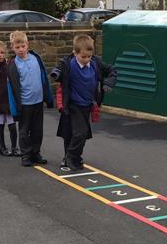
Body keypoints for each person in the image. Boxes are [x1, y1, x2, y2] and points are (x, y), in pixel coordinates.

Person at [50, 34, 116, 171]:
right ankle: (70, 156)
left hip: (88, 104)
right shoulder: (68, 64)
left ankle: (75, 157)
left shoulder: (95, 63)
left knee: (82, 134)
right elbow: (58, 70)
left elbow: (112, 70)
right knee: (79, 132)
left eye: (89, 56)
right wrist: (56, 74)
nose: (87, 60)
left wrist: (109, 82)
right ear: (75, 53)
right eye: (83, 57)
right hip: (73, 104)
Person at [7, 30, 54, 167]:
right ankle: (25, 155)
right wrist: (16, 106)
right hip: (24, 103)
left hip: (38, 101)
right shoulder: (13, 65)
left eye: (23, 46)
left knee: (37, 130)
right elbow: (13, 88)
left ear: (27, 45)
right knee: (24, 131)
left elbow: (44, 78)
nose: (21, 49)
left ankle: (35, 153)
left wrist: (48, 96)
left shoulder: (36, 58)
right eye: (17, 47)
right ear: (12, 48)